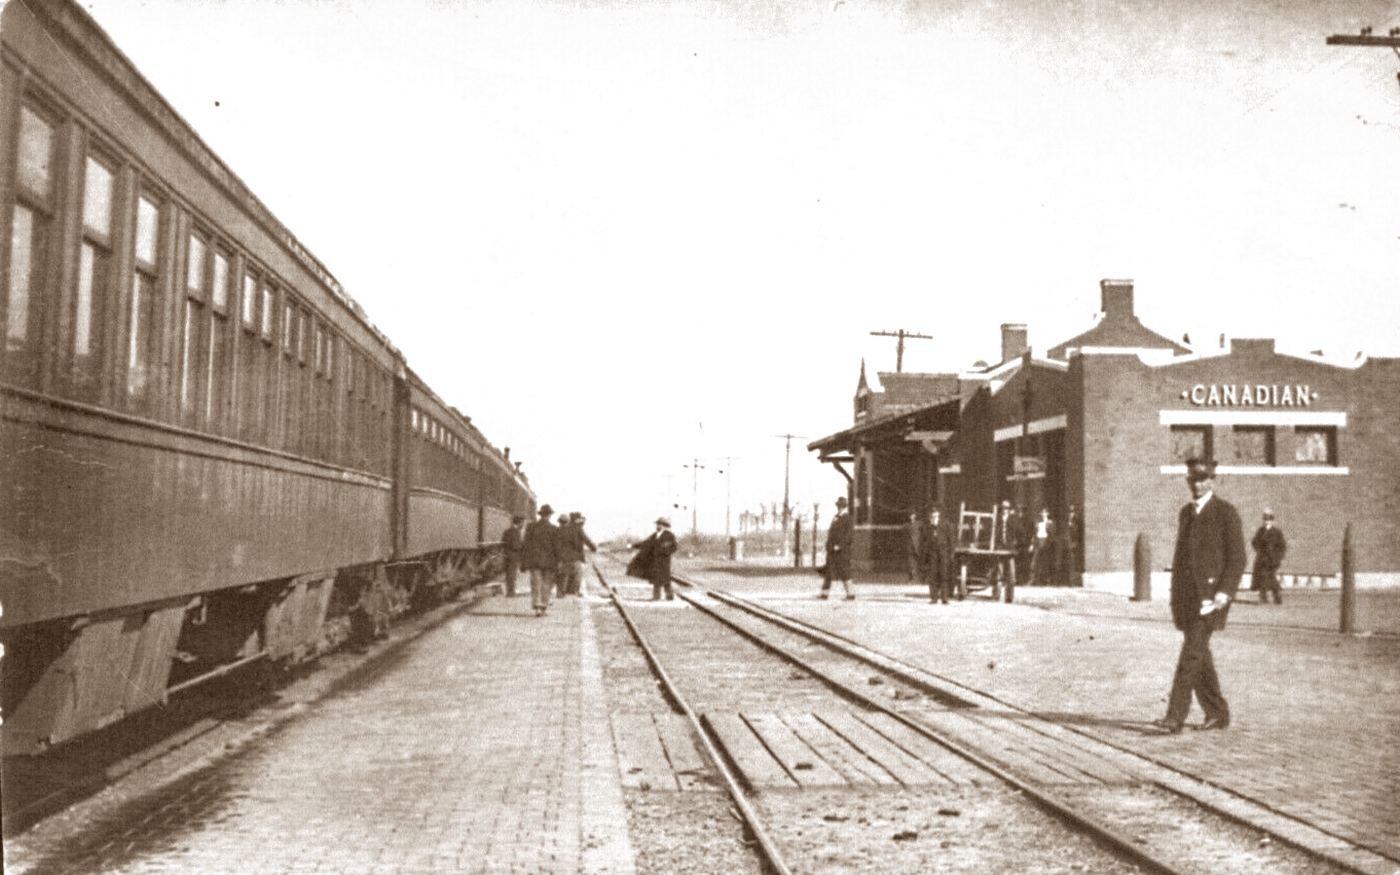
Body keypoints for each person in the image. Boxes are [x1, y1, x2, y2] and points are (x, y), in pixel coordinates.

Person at [1153, 458, 1245, 734]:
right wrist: (1175, 594)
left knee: (1190, 657)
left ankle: (1174, 717)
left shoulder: (1225, 512)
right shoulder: (1186, 513)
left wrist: (1225, 591)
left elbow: (1237, 558)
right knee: (1200, 657)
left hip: (1211, 599)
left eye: (1203, 479)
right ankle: (1217, 712)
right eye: (1193, 480)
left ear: (1212, 481)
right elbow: (1182, 557)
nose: (1197, 485)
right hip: (1187, 600)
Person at [521, 504, 561, 616]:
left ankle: (537, 607)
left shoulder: (531, 527)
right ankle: (543, 608)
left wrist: (524, 562)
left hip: (534, 561)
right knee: (546, 585)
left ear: (541, 514)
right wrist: (558, 562)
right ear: (549, 515)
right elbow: (557, 548)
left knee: (536, 584)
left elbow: (525, 545)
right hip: (549, 562)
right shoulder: (554, 529)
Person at [632, 517, 679, 600]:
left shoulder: (669, 535)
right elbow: (646, 543)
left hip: (664, 561)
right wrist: (633, 546)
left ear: (664, 526)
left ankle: (669, 596)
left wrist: (664, 552)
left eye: (659, 524)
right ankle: (657, 597)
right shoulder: (655, 535)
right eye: (657, 524)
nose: (658, 526)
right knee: (656, 578)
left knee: (665, 579)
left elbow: (674, 547)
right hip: (655, 561)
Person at [820, 496, 855, 600]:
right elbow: (831, 533)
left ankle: (851, 594)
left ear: (845, 507)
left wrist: (840, 545)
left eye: (841, 506)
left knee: (844, 571)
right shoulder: (836, 518)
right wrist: (829, 546)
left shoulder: (848, 518)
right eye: (838, 506)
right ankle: (824, 594)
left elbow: (849, 535)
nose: (839, 508)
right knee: (829, 571)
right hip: (832, 549)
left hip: (842, 551)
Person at [1250, 510, 1287, 605]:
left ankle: (1277, 597)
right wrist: (1259, 550)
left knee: (1271, 577)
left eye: (1269, 520)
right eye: (1265, 520)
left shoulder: (1277, 532)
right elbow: (1254, 542)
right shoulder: (1261, 531)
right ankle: (1264, 598)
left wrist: (1278, 557)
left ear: (1272, 521)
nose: (1267, 522)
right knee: (1262, 577)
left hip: (1272, 559)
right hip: (1262, 558)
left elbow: (1282, 546)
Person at [920, 509, 956, 604]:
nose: (933, 518)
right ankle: (934, 598)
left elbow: (951, 539)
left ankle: (945, 598)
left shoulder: (945, 524)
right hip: (932, 554)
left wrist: (951, 553)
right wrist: (924, 556)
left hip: (943, 553)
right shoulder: (927, 526)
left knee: (944, 575)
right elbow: (923, 541)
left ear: (938, 515)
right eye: (932, 516)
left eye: (935, 516)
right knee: (933, 576)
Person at [559, 511, 599, 597]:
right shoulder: (578, 529)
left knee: (565, 576)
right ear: (577, 520)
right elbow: (586, 540)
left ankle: (564, 593)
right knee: (578, 575)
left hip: (564, 558)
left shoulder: (564, 528)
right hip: (576, 557)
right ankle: (576, 592)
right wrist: (594, 548)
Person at [501, 515, 525, 597]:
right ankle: (511, 592)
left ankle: (509, 591)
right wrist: (522, 547)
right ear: (519, 523)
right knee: (512, 574)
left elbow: (503, 542)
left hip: (506, 555)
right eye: (522, 523)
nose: (523, 525)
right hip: (514, 556)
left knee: (508, 574)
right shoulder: (516, 532)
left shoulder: (507, 531)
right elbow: (516, 545)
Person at [905, 513, 922, 582]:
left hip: (918, 545)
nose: (912, 517)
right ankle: (911, 577)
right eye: (911, 515)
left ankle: (920, 577)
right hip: (910, 546)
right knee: (910, 562)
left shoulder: (919, 524)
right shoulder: (907, 525)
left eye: (913, 515)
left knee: (919, 561)